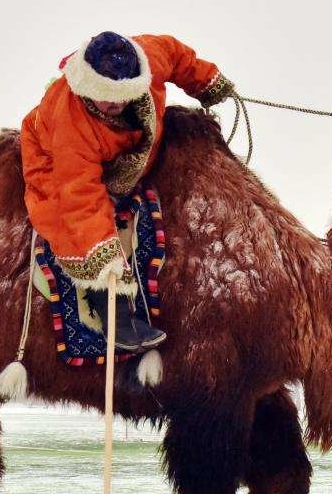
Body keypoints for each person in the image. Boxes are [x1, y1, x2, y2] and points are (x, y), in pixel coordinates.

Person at [21, 31, 235, 352]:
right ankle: (114, 316)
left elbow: (177, 55)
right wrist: (105, 258)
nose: (117, 103)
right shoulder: (71, 125)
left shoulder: (150, 55)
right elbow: (81, 198)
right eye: (106, 95)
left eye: (123, 95)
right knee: (66, 222)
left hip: (122, 151)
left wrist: (205, 82)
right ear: (87, 86)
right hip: (54, 160)